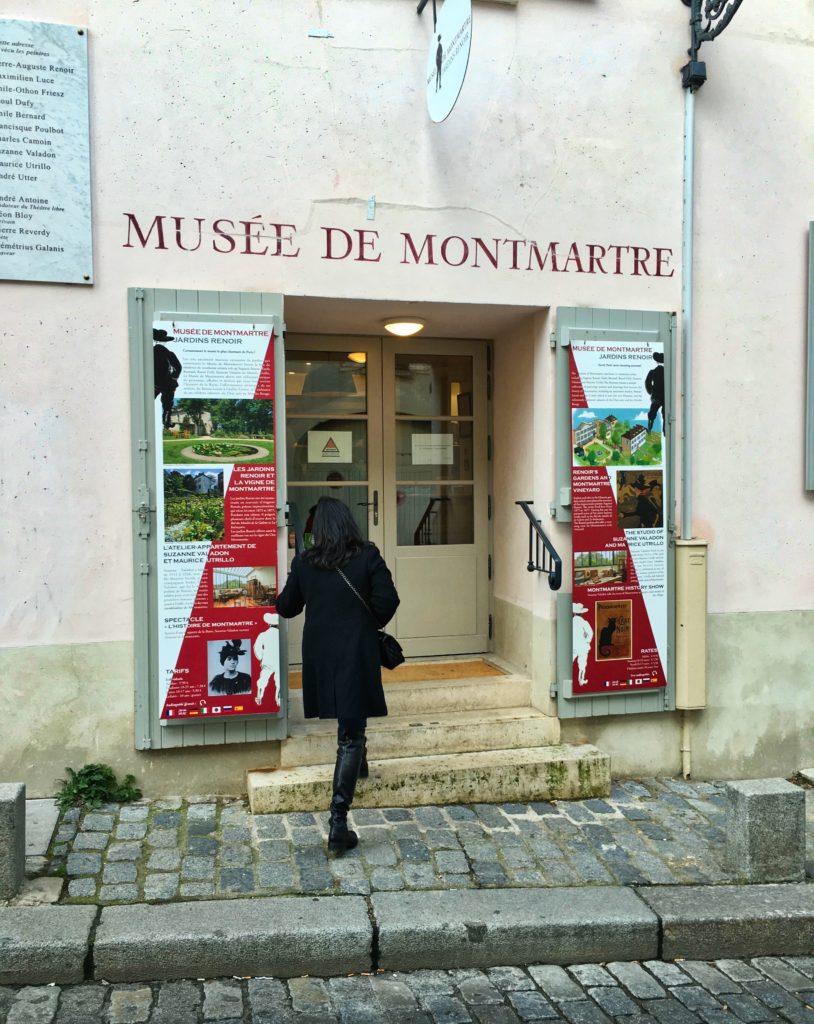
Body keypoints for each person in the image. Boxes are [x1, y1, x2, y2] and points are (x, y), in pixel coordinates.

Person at [276, 497, 400, 855]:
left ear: (318, 528)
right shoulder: (367, 555)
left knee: (348, 723)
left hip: (319, 652)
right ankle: (338, 822)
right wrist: (367, 623)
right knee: (351, 731)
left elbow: (286, 607)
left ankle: (357, 765)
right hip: (355, 651)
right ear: (347, 522)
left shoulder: (306, 562)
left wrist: (295, 577)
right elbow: (388, 600)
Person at [153, 328, 182, 429]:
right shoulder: (168, 353)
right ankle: (166, 422)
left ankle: (166, 422)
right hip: (166, 384)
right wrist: (172, 378)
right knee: (167, 405)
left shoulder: (150, 352)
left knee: (151, 401)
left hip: (155, 383)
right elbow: (178, 367)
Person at [645, 352, 664, 433]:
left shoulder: (653, 371)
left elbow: (647, 382)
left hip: (656, 396)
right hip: (665, 396)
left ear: (656, 361)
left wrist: (651, 391)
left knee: (652, 413)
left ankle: (649, 429)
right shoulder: (667, 372)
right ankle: (665, 431)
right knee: (665, 414)